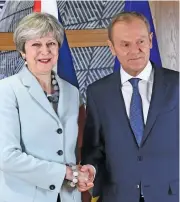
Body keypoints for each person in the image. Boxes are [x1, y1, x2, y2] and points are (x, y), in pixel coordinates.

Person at [78, 12, 179, 202]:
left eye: (141, 41)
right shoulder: (97, 92)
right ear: (112, 47)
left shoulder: (177, 85)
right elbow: (94, 148)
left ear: (150, 40)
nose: (135, 50)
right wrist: (90, 169)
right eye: (125, 44)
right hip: (117, 196)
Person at [0, 12, 89, 202]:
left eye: (51, 44)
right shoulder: (7, 90)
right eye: (36, 45)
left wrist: (81, 176)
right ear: (23, 51)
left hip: (67, 196)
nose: (45, 51)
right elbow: (7, 157)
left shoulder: (72, 92)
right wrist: (65, 173)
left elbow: (72, 151)